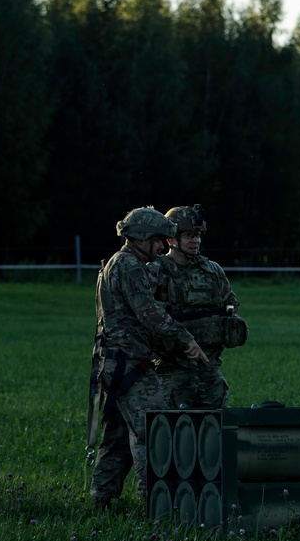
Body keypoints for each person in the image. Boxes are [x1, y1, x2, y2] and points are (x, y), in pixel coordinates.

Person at [88, 206, 209, 510]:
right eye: (158, 240)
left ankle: (102, 500)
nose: (162, 246)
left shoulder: (117, 263)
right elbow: (150, 314)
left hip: (113, 363)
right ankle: (157, 504)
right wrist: (187, 339)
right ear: (141, 237)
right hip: (130, 364)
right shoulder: (128, 266)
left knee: (116, 437)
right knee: (153, 433)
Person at [149, 204, 245, 409]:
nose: (196, 241)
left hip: (209, 368)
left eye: (198, 235)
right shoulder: (156, 271)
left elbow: (230, 304)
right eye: (189, 235)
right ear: (171, 239)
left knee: (217, 428)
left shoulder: (212, 270)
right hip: (172, 371)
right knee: (174, 431)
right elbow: (147, 314)